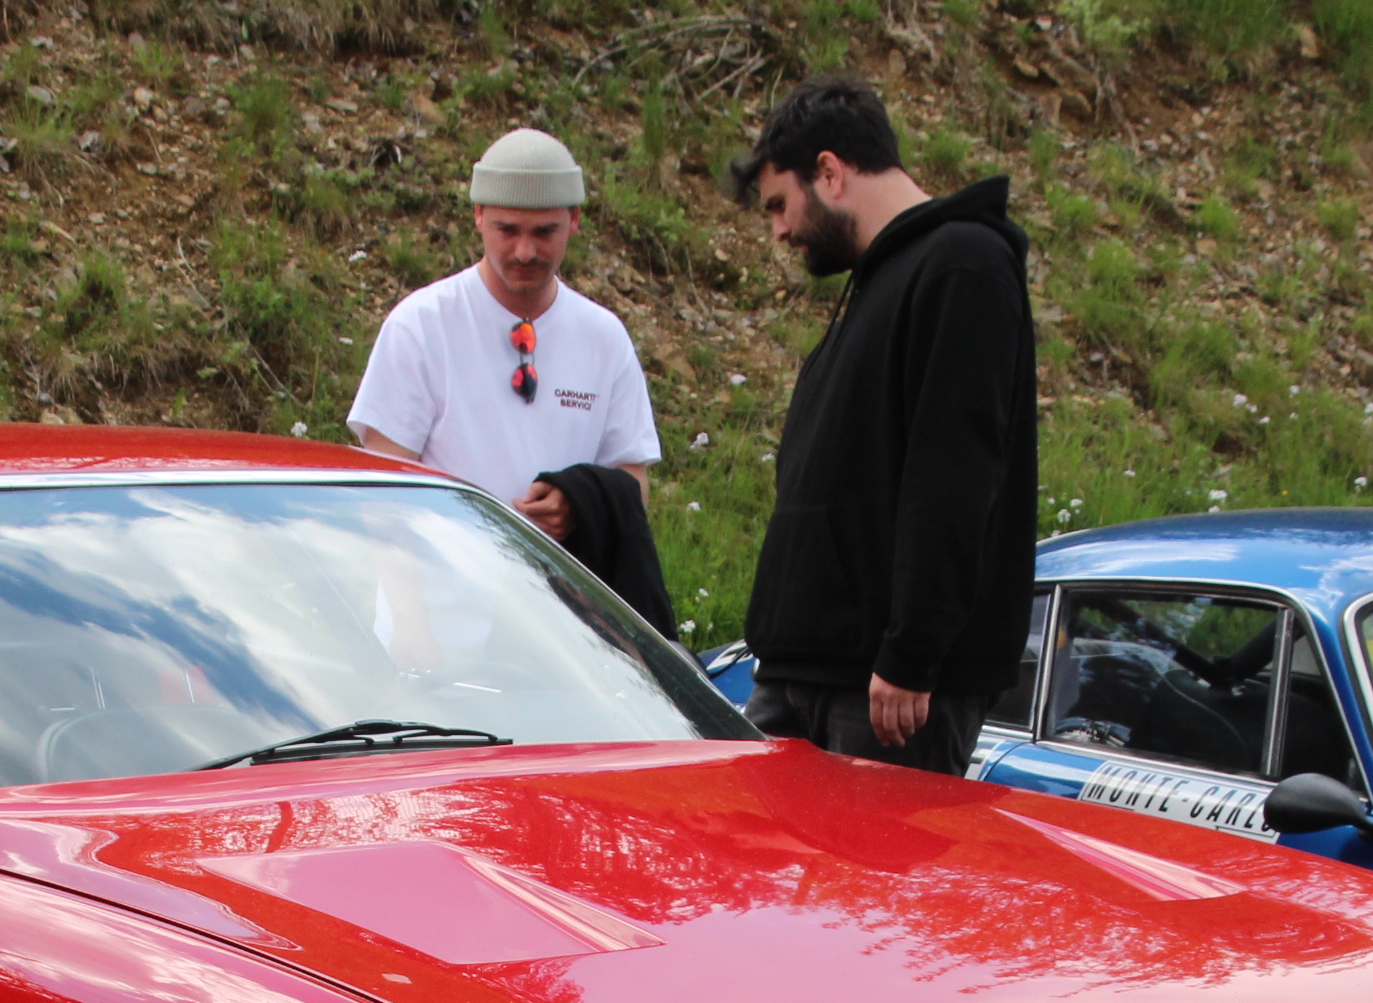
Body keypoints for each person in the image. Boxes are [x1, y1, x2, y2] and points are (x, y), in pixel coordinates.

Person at [724, 77, 1035, 775]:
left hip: (885, 689)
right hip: (807, 666)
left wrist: (911, 653)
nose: (778, 231)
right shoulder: (881, 279)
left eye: (779, 204)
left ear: (829, 172)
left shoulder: (965, 265)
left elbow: (955, 473)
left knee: (870, 854)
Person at [347, 128, 660, 551]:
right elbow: (382, 496)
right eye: (507, 230)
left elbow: (633, 482)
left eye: (544, 232)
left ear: (574, 221)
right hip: (443, 587)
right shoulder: (420, 327)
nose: (525, 251)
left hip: (557, 591)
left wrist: (581, 502)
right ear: (478, 215)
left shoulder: (604, 338)